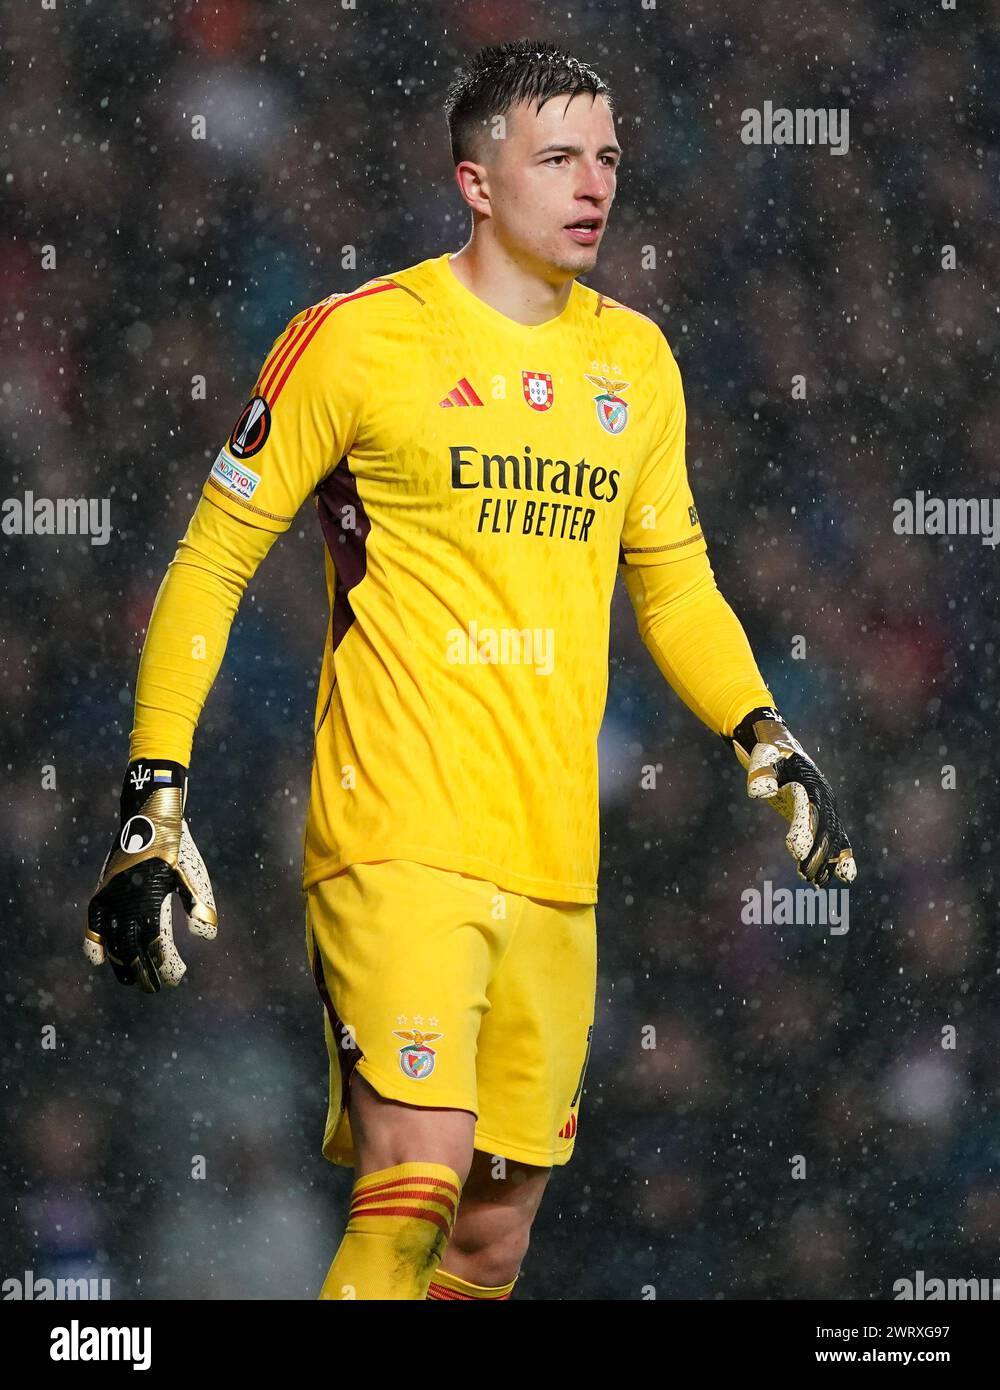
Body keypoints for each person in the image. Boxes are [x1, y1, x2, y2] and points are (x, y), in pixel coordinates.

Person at [84, 39, 856, 1302]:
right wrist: (152, 800)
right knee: (415, 1182)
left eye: (606, 156)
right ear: (475, 179)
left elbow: (673, 582)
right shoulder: (354, 339)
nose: (593, 181)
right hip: (394, 828)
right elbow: (209, 562)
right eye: (556, 155)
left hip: (553, 857)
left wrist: (762, 730)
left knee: (491, 1239)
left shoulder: (638, 365)